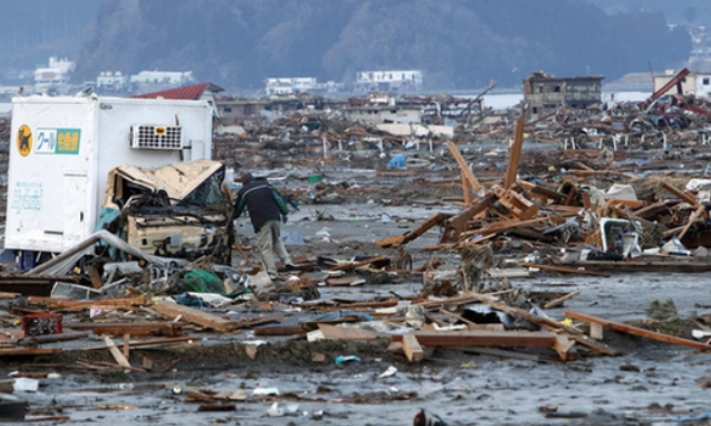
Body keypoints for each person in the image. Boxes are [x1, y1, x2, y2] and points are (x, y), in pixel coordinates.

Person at [233, 172, 294, 278]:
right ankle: (288, 261)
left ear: (244, 183)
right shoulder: (266, 185)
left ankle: (271, 272)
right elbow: (278, 199)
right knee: (276, 240)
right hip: (275, 217)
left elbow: (239, 209)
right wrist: (284, 212)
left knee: (265, 247)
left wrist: (232, 216)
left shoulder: (244, 191)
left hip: (261, 220)